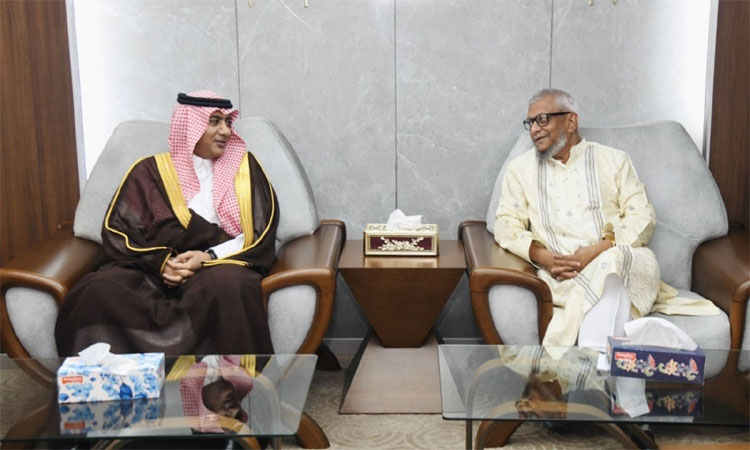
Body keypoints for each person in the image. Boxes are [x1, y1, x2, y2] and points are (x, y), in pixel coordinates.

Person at [55, 91, 278, 356]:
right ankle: (113, 378)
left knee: (229, 287)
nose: (225, 131)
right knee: (98, 290)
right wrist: (161, 262)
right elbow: (118, 231)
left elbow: (259, 233)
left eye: (228, 122)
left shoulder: (245, 170)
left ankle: (223, 379)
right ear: (189, 125)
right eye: (214, 121)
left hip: (219, 264)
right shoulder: (149, 171)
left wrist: (207, 257)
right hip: (150, 267)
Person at [494, 89, 718, 348]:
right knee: (609, 280)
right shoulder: (520, 170)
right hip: (563, 277)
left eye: (542, 120)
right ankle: (617, 356)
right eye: (530, 122)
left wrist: (598, 250)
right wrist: (542, 256)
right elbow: (506, 224)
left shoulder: (614, 160)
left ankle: (593, 358)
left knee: (612, 262)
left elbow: (643, 217)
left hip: (622, 261)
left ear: (571, 121)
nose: (534, 129)